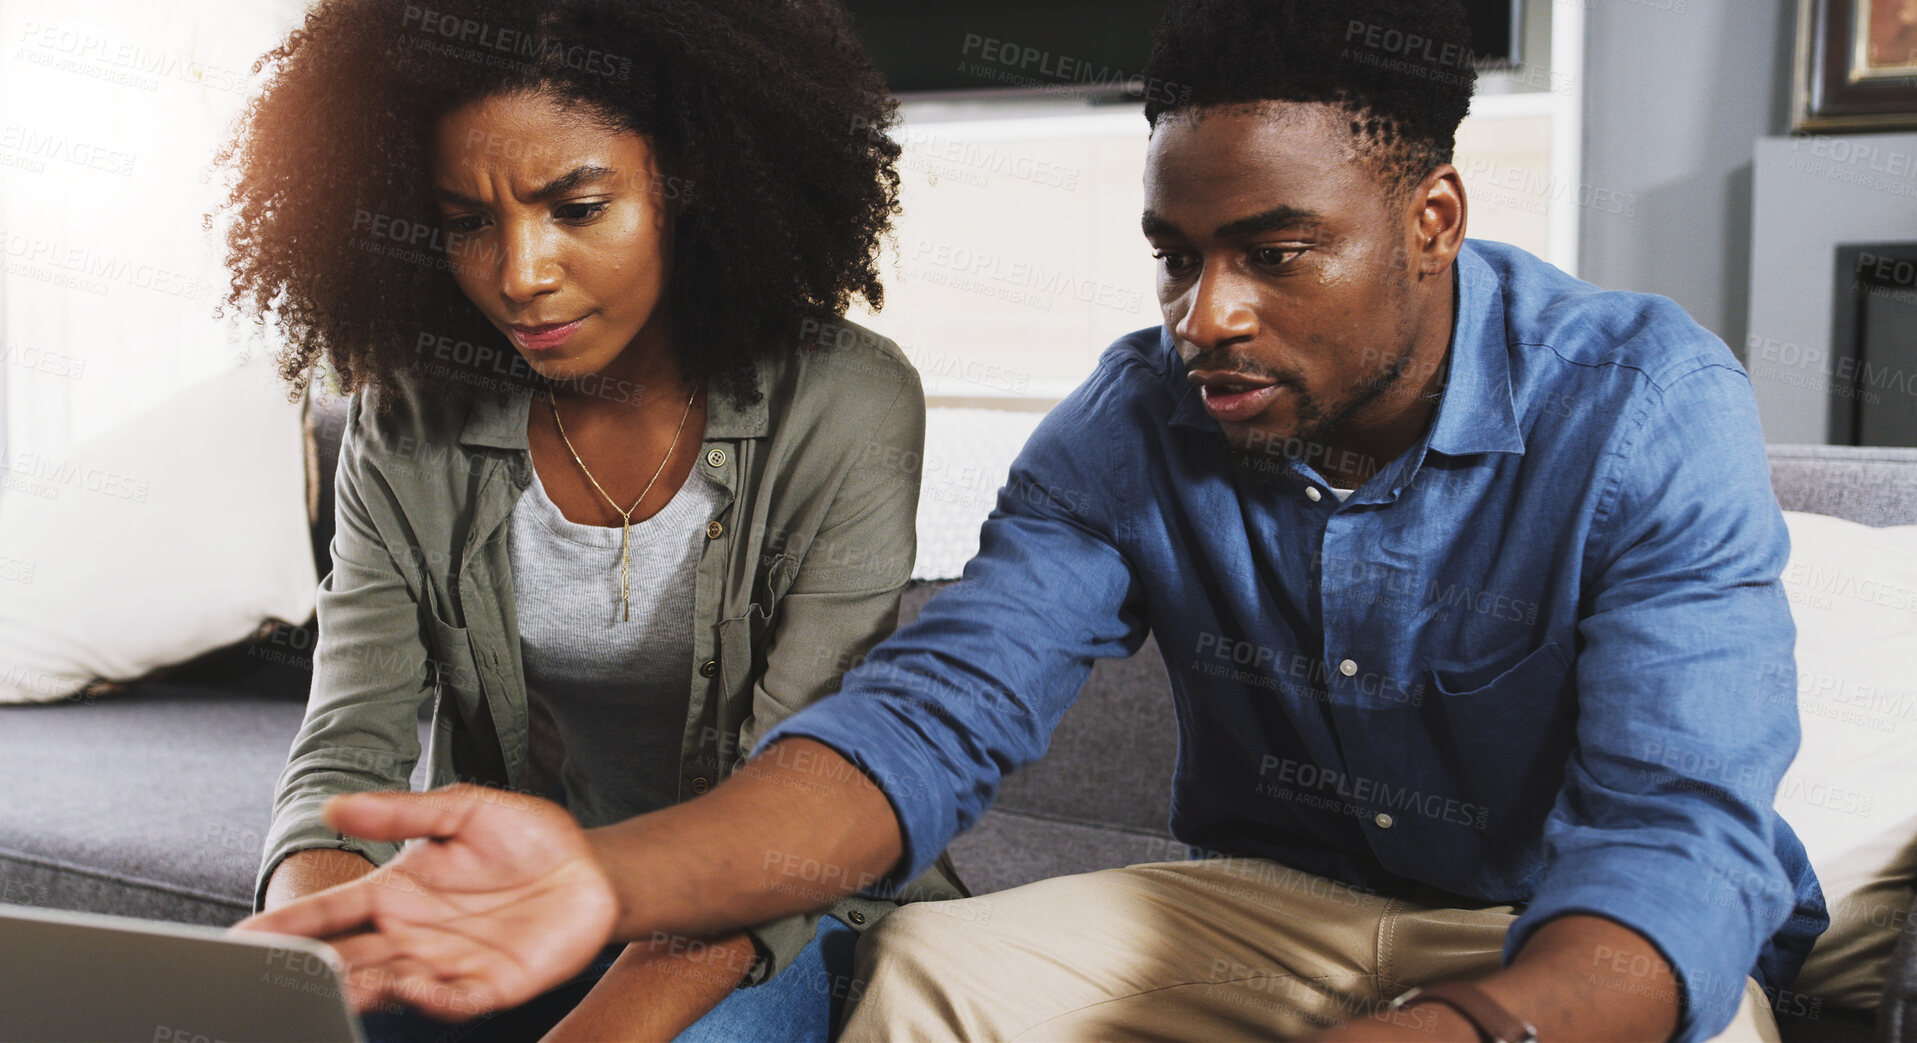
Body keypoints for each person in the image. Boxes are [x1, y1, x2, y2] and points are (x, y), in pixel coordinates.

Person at [237, 1, 1831, 1040]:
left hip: (1577, 933)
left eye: (1275, 252)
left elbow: (1677, 839)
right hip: (1275, 909)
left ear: (1430, 222)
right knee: (928, 978)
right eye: (1175, 253)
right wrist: (606, 881)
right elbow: (927, 720)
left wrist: (1469, 1025)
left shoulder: (1639, 401)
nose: (1202, 315)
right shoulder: (1134, 418)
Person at [211, 0, 964, 1039]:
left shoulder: (846, 406)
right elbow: (348, 748)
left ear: (687, 178)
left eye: (577, 206)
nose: (520, 274)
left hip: (777, 913)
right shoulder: (411, 414)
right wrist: (312, 968)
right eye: (469, 222)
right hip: (517, 908)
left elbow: (792, 807)